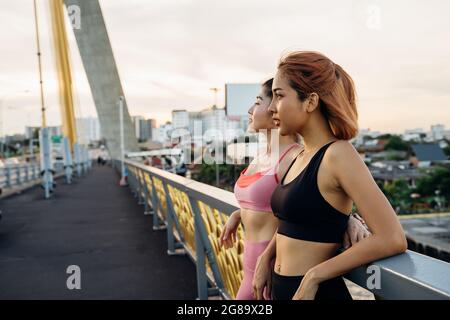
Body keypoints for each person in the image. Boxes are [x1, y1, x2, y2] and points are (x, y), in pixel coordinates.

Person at [252, 51, 407, 300]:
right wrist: (266, 257)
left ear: (310, 102)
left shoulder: (339, 154)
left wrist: (315, 275)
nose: (271, 108)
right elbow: (292, 221)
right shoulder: (301, 155)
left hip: (316, 293)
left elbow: (392, 237)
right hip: (284, 289)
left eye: (279, 96)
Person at [219, 79, 370, 300]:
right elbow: (278, 204)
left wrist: (347, 218)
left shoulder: (296, 156)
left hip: (277, 271)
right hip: (253, 267)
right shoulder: (262, 156)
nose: (251, 110)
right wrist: (238, 213)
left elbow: (310, 198)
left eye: (260, 102)